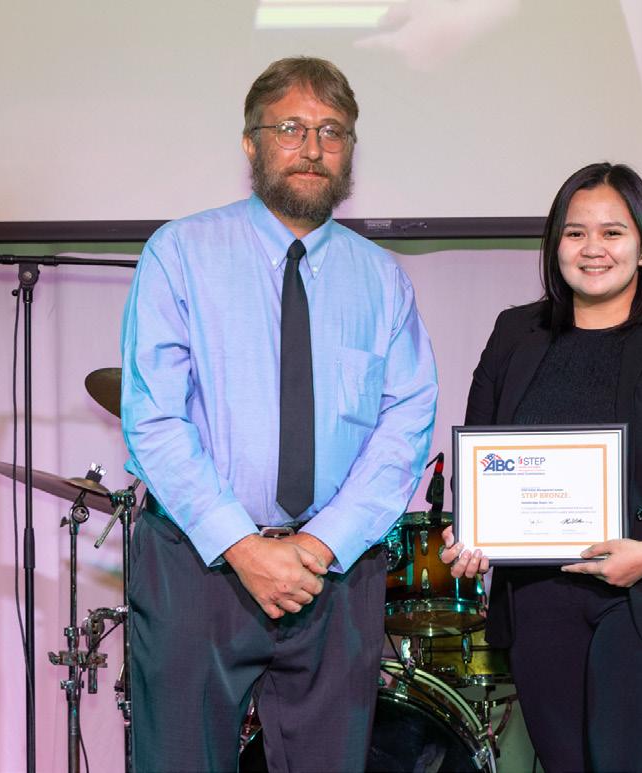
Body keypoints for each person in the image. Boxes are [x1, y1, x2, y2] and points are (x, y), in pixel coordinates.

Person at [120, 56, 437, 772]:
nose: (313, 148)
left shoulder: (383, 279)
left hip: (335, 575)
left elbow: (406, 423)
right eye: (291, 128)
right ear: (251, 142)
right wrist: (243, 545)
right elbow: (154, 419)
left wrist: (320, 545)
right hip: (198, 564)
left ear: (350, 149)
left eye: (332, 131)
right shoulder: (180, 253)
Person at [442, 162, 642, 771]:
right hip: (539, 604)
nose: (592, 248)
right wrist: (472, 531)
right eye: (575, 232)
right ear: (554, 244)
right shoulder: (514, 333)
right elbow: (481, 457)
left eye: (613, 232)